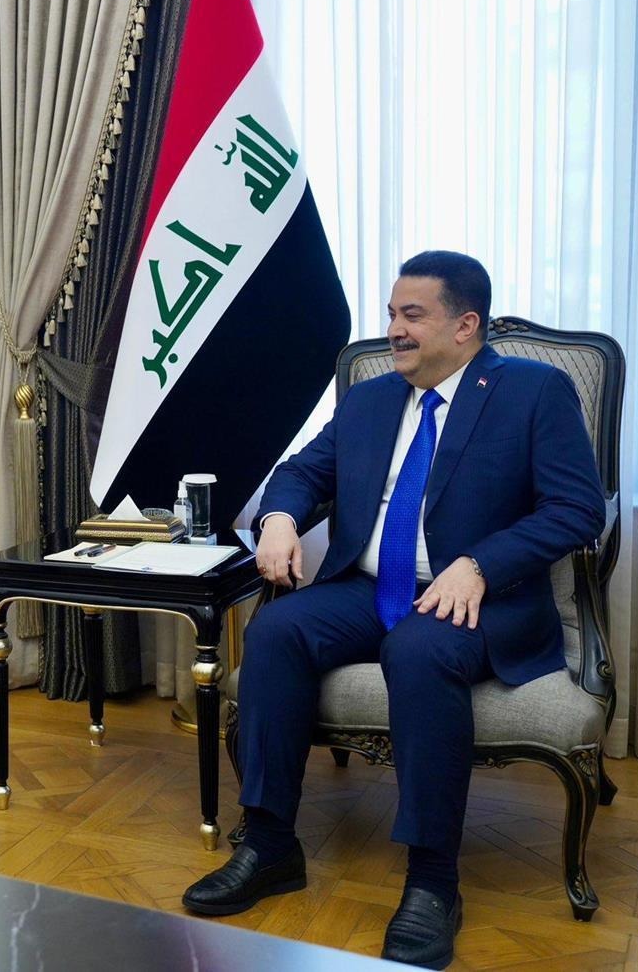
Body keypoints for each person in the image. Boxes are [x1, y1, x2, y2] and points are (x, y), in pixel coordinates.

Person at [181, 253, 604, 969]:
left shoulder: (534, 391)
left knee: (419, 648)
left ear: (465, 325)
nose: (394, 330)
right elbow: (300, 472)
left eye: (412, 315)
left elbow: (578, 508)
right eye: (391, 314)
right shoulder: (371, 398)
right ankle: (270, 843)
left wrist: (481, 564)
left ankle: (433, 881)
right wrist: (279, 519)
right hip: (371, 588)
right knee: (277, 628)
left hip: (479, 597)